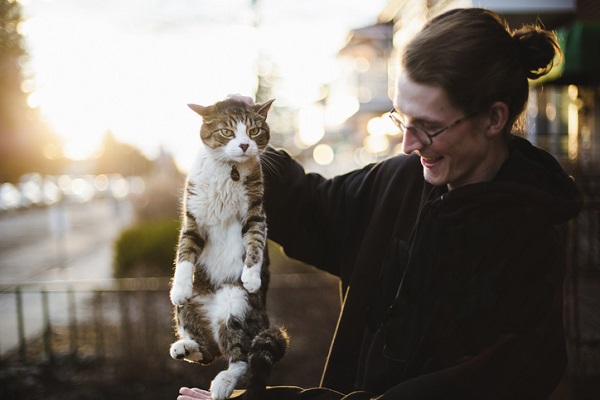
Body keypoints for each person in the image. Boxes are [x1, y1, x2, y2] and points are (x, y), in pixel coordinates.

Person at [178, 7, 582, 400]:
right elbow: (311, 209)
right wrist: (244, 151)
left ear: (494, 119)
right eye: (402, 118)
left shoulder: (526, 249)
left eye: (429, 126)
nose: (408, 144)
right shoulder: (401, 180)